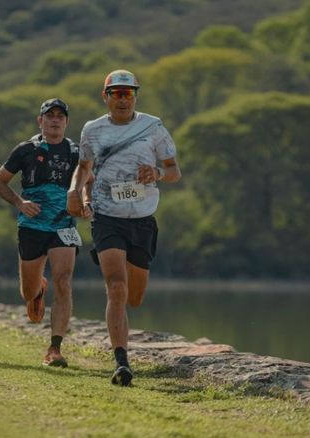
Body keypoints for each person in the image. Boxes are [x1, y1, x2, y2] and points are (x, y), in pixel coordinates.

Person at [66, 69, 181, 386]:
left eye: (127, 93)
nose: (122, 99)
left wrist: (156, 172)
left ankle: (122, 347)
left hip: (142, 219)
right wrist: (75, 191)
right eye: (116, 93)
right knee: (116, 287)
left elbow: (174, 171)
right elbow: (84, 167)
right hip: (106, 216)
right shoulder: (93, 130)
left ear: (135, 97)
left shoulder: (153, 126)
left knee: (134, 296)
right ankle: (121, 362)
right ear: (105, 97)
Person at [0, 98, 92, 367]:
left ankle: (55, 348)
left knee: (64, 281)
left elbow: (88, 181)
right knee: (27, 291)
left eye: (60, 116)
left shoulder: (76, 152)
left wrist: (85, 202)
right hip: (32, 226)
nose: (55, 120)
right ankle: (37, 291)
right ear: (41, 121)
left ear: (67, 122)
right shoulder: (26, 150)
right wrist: (19, 203)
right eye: (50, 116)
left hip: (63, 226)